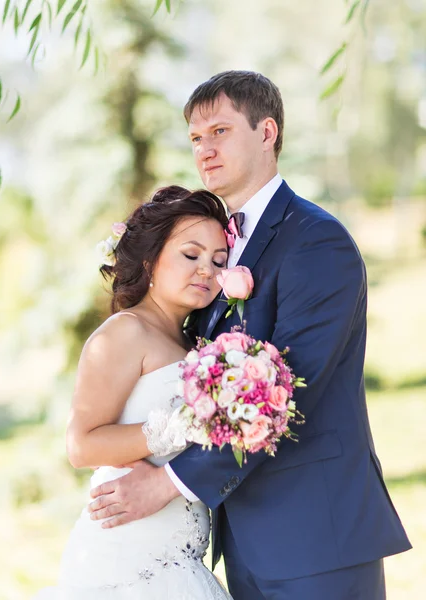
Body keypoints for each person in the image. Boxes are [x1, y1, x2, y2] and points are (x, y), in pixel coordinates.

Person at [89, 71, 412, 600]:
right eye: (195, 138)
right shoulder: (215, 250)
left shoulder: (317, 242)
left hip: (317, 535)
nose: (204, 150)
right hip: (241, 539)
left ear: (267, 132)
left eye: (219, 131)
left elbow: (289, 387)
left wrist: (168, 483)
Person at [33, 185, 233, 599]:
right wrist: (185, 425)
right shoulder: (125, 332)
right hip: (127, 555)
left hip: (180, 556)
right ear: (150, 259)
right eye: (190, 255)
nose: (207, 271)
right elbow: (81, 446)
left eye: (219, 261)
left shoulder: (194, 342)